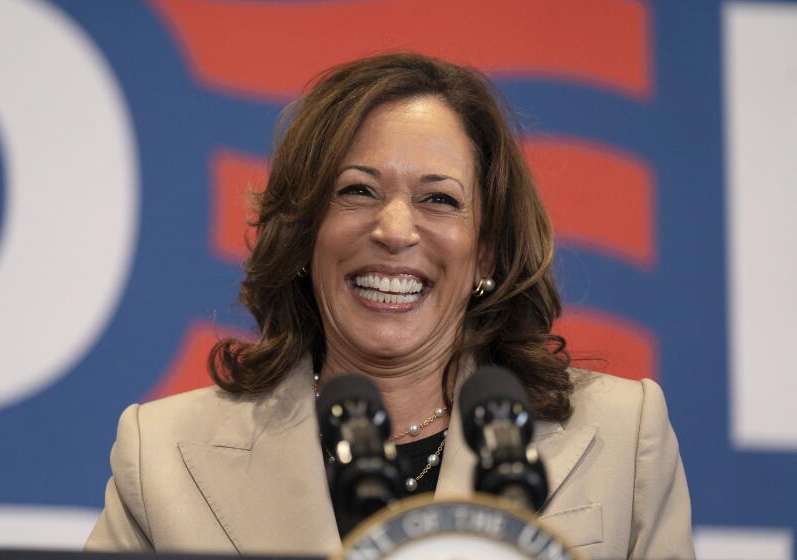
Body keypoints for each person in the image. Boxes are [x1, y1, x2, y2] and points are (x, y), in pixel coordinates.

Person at [85, 53, 694, 558]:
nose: (395, 229)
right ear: (303, 235)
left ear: (485, 252)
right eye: (358, 191)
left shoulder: (623, 434)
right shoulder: (164, 453)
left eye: (439, 200)